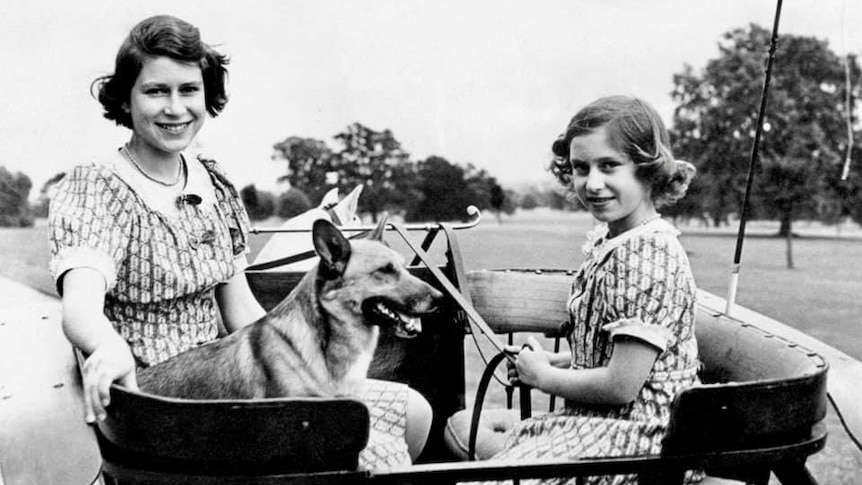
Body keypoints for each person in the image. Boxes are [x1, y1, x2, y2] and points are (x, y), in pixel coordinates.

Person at [48, 14, 430, 469]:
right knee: (362, 453)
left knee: (415, 416)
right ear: (126, 100)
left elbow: (241, 311)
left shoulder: (212, 182)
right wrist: (108, 348)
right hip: (162, 404)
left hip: (230, 378)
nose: (175, 108)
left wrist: (308, 363)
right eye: (156, 91)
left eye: (189, 90)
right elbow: (81, 306)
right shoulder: (97, 187)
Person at [446, 96, 702, 484]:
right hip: (605, 428)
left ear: (648, 170)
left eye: (609, 166)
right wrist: (556, 361)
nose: (593, 183)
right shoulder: (618, 241)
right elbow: (617, 353)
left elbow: (621, 384)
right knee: (469, 441)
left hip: (643, 445)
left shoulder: (648, 255)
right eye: (581, 168)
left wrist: (542, 379)